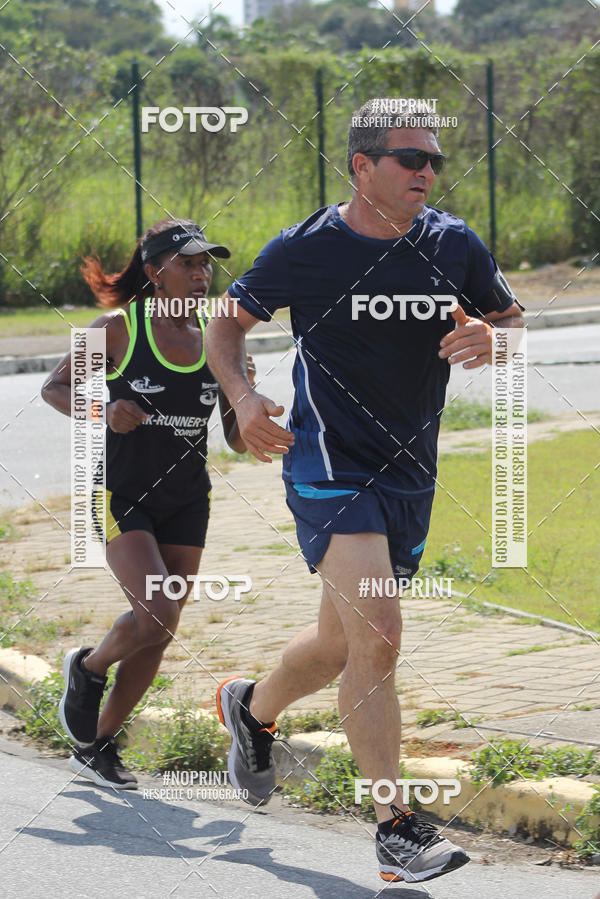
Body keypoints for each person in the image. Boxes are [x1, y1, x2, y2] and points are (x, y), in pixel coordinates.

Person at [206, 98, 524, 884]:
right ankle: (396, 826)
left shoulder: (454, 243)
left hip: (410, 471)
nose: (427, 173)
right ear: (362, 166)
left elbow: (512, 317)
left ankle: (250, 707)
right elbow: (225, 324)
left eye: (434, 161)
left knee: (340, 645)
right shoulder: (306, 249)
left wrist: (496, 337)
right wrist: (244, 401)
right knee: (380, 632)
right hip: (326, 465)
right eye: (410, 159)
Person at [42, 218, 250, 790]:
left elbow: (234, 436)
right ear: (156, 272)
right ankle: (87, 669)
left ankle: (97, 745)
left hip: (187, 500)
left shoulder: (220, 337)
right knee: (157, 609)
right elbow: (55, 388)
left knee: (162, 626)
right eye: (188, 263)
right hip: (118, 492)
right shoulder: (116, 329)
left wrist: (251, 405)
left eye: (207, 264)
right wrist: (102, 411)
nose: (202, 274)